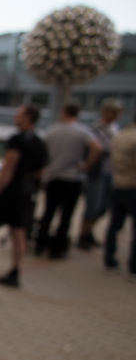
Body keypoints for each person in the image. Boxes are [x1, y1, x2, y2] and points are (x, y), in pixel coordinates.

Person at [0, 105, 47, 289]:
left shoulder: (17, 140)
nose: (15, 117)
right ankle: (16, 270)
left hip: (11, 192)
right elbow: (40, 172)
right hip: (27, 192)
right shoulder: (39, 141)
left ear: (28, 117)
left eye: (19, 115)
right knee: (19, 232)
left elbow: (8, 169)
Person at [35, 103, 102, 258]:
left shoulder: (52, 130)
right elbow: (97, 148)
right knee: (66, 216)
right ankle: (57, 250)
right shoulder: (82, 131)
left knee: (48, 212)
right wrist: (85, 166)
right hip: (73, 178)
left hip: (54, 177)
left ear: (63, 112)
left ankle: (40, 245)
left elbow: (43, 153)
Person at [78, 98, 123, 250]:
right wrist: (88, 165)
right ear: (104, 112)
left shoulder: (116, 128)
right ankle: (83, 235)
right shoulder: (95, 129)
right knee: (93, 205)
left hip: (111, 173)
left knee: (103, 207)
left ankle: (88, 232)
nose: (117, 115)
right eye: (114, 112)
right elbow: (92, 150)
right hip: (97, 173)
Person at [103, 115, 136, 276]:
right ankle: (134, 266)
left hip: (117, 184)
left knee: (114, 225)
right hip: (133, 185)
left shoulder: (121, 135)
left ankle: (109, 258)